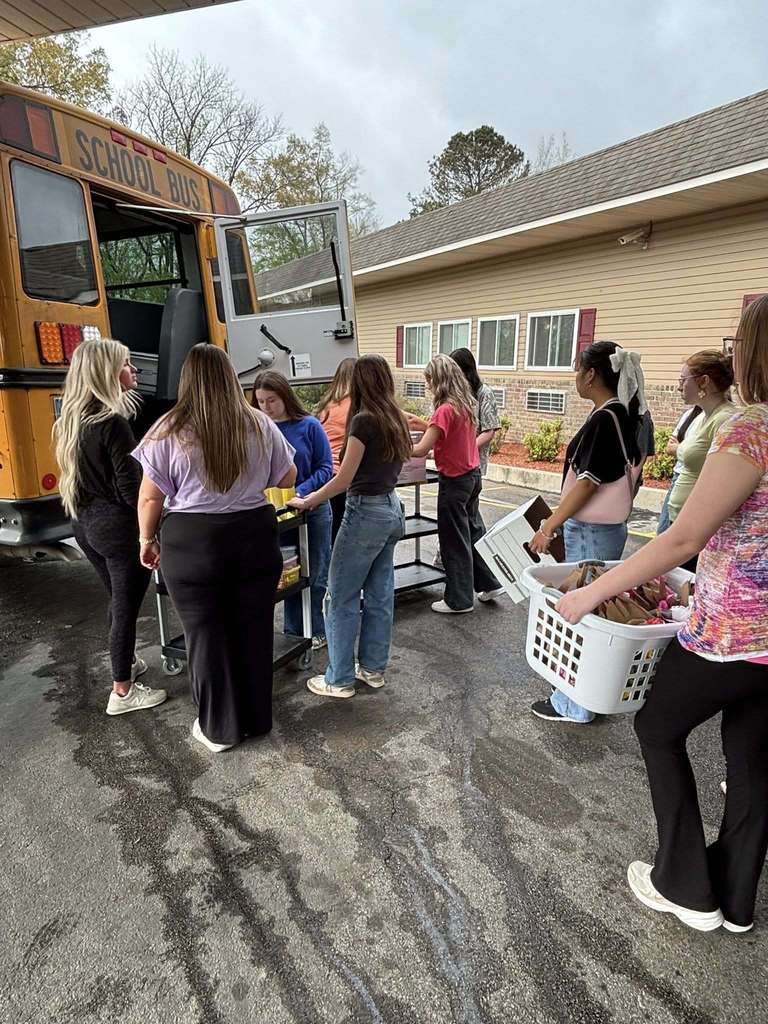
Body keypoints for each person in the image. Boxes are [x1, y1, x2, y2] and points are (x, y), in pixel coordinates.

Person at [556, 295, 768, 934]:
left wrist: (589, 595)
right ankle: (734, 899)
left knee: (656, 727)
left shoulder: (749, 427)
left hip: (733, 631)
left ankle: (684, 886)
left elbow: (681, 539)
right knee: (753, 763)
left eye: (737, 341)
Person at [133, 344, 297, 753]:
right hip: (254, 536)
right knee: (254, 627)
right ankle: (257, 720)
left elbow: (151, 499)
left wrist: (145, 539)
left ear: (186, 379)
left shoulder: (167, 429)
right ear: (229, 377)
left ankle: (219, 729)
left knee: (206, 635)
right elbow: (289, 474)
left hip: (192, 543)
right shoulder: (259, 423)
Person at [528, 341, 647, 724]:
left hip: (591, 529)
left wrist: (550, 525)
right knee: (596, 610)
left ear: (591, 374)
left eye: (578, 369)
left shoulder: (603, 418)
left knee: (581, 612)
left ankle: (573, 703)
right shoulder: (629, 415)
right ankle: (585, 695)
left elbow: (586, 483)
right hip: (608, 527)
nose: (575, 377)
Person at [53, 338, 166, 716]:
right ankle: (122, 692)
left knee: (118, 604)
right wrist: (150, 530)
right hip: (117, 530)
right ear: (106, 372)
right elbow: (130, 489)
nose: (133, 370)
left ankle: (127, 664)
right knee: (126, 608)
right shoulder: (111, 422)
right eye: (126, 364)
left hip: (85, 525)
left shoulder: (71, 420)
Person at [288, 355, 411, 698]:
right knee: (379, 595)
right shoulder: (394, 418)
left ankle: (338, 678)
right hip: (391, 508)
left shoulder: (364, 421)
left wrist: (309, 499)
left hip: (364, 512)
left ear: (358, 382)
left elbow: (344, 478)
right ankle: (372, 668)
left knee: (339, 595)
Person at [410, 353, 503, 614]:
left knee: (454, 541)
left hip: (454, 482)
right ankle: (490, 583)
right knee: (472, 534)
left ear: (439, 380)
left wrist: (392, 445)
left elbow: (419, 450)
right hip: (473, 477)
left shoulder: (443, 411)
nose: (427, 385)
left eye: (429, 379)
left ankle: (459, 600)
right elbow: (449, 442)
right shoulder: (465, 405)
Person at [252, 372, 333, 649]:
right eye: (261, 401)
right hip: (277, 514)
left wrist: (301, 491)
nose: (266, 406)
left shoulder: (309, 425)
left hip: (313, 509)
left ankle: (316, 629)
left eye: (271, 400)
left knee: (317, 573)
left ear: (285, 396)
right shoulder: (259, 428)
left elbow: (326, 468)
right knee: (288, 574)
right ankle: (293, 632)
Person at [665, 350, 735, 540]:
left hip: (699, 529)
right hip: (681, 519)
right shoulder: (702, 417)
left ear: (703, 381)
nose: (679, 387)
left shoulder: (725, 420)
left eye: (683, 380)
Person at [316, 357, 356, 542]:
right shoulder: (355, 405)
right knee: (346, 533)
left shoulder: (326, 405)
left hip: (325, 474)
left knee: (332, 530)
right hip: (344, 474)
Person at [656, 405, 702, 535]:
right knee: (664, 530)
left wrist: (680, 447)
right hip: (679, 476)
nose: (680, 387)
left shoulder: (719, 417)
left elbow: (701, 453)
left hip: (699, 480)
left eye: (684, 382)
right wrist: (685, 449)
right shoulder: (690, 414)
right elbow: (669, 448)